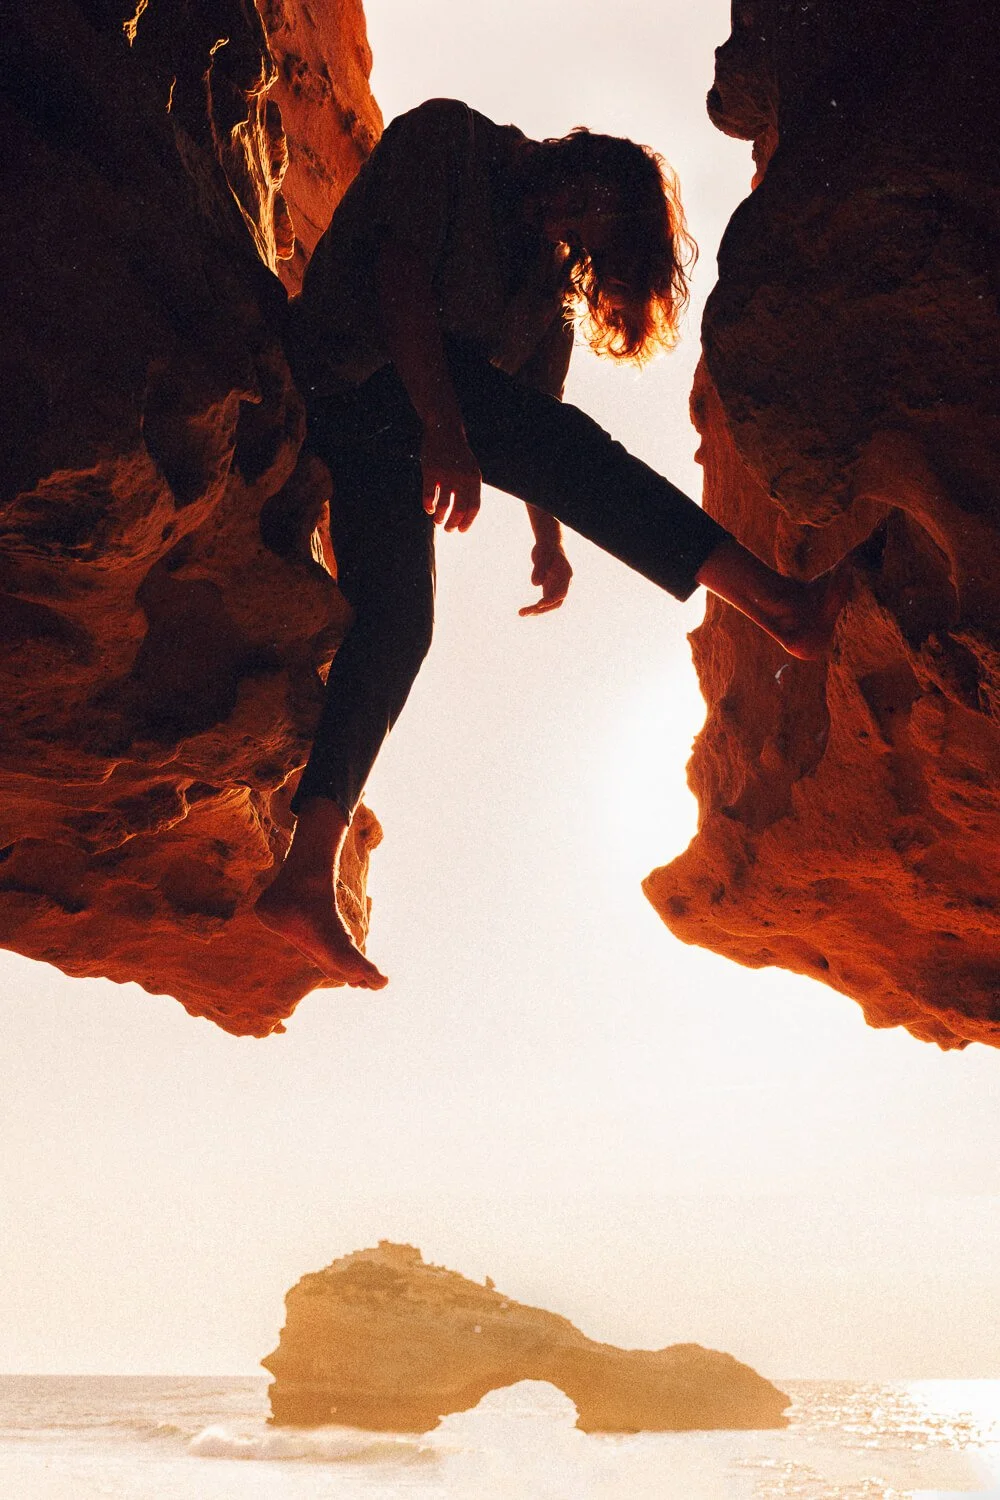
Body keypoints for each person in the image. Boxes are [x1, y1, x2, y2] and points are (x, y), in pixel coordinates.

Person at [255, 98, 850, 990]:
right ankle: (778, 603)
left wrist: (548, 539)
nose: (564, 235)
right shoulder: (450, 140)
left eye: (584, 241)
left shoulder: (548, 270)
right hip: (348, 378)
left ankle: (305, 874)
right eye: (577, 214)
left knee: (399, 629)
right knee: (562, 457)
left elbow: (533, 416)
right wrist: (448, 432)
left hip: (404, 432)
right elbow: (397, 281)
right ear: (584, 165)